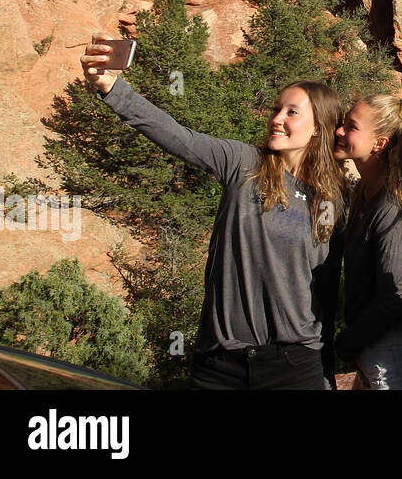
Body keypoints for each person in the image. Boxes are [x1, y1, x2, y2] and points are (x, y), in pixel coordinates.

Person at [81, 33, 346, 390]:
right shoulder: (244, 164)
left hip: (295, 365)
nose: (277, 119)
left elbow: (324, 290)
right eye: (276, 109)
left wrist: (325, 370)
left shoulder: (330, 201)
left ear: (319, 130)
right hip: (220, 363)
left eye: (292, 112)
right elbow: (178, 136)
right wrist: (113, 89)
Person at [333, 94, 402, 389]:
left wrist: (348, 343)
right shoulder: (364, 191)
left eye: (351, 126)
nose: (339, 131)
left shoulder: (391, 204)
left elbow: (394, 298)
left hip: (393, 356)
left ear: (380, 143)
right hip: (375, 349)